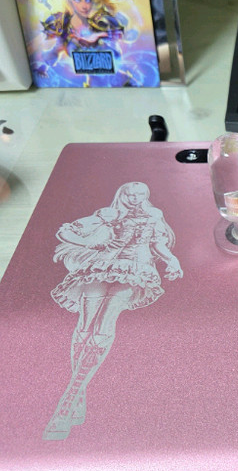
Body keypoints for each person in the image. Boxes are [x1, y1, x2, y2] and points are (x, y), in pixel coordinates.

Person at [44, 181, 182, 440]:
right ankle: (78, 398)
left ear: (145, 196)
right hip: (101, 266)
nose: (135, 198)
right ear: (122, 194)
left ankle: (67, 403)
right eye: (130, 193)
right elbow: (65, 230)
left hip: (136, 269)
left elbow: (158, 244)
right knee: (84, 327)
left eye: (140, 194)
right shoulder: (108, 213)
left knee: (102, 328)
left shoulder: (154, 215)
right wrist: (90, 244)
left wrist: (172, 260)